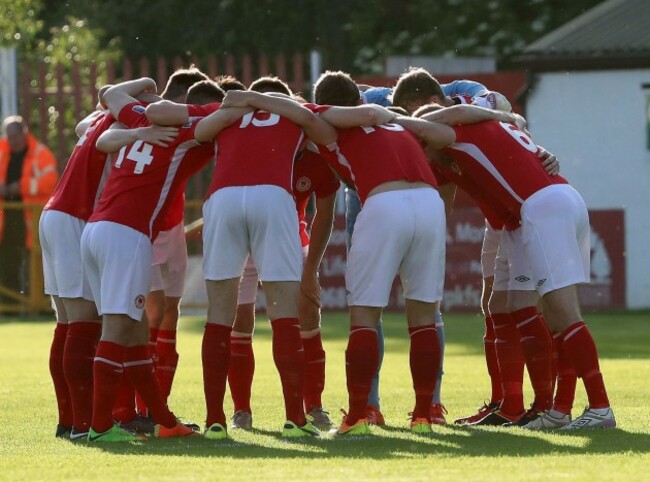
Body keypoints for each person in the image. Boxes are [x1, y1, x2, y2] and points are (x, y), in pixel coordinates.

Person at [395, 110, 616, 430]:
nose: (421, 155)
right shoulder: (457, 149)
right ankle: (558, 410)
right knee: (524, 306)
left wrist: (384, 117)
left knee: (564, 312)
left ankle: (600, 406)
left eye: (418, 146)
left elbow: (457, 117)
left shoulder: (455, 131)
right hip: (539, 209)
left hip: (542, 208)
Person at [310, 70, 485, 435]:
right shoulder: (399, 123)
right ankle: (424, 413)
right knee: (423, 314)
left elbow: (310, 118)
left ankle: (359, 413)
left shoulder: (330, 123)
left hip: (384, 202)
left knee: (364, 316)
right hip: (428, 201)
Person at [82, 76, 232, 442]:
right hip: (128, 235)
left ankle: (164, 420)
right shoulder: (183, 133)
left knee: (134, 334)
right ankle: (100, 427)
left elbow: (111, 94)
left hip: (96, 230)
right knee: (117, 331)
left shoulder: (139, 119)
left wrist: (147, 88)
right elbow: (224, 117)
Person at [195, 86, 337, 440]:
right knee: (282, 312)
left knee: (220, 313)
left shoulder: (231, 113)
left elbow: (194, 129)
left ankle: (215, 420)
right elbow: (333, 124)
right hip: (275, 203)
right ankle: (291, 417)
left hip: (224, 198)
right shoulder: (295, 115)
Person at [39, 85, 117, 440]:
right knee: (84, 322)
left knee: (67, 322)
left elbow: (82, 122)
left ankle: (68, 420)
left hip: (55, 214)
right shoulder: (121, 129)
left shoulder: (98, 121)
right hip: (75, 216)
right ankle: (82, 425)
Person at [0, 116, 58, 304]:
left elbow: (50, 182)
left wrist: (21, 186)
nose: (12, 141)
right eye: (9, 137)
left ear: (24, 133)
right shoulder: (2, 150)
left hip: (30, 221)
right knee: (7, 259)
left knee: (34, 263)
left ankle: (35, 304)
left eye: (15, 136)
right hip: (5, 218)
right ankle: (8, 302)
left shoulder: (41, 154)